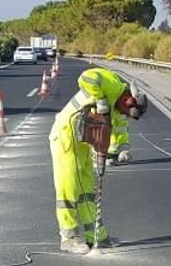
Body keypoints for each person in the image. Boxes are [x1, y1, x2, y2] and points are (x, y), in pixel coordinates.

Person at [49, 66, 149, 253]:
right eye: (127, 112)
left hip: (83, 142)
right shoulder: (112, 85)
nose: (124, 115)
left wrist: (123, 148)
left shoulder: (119, 109)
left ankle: (96, 236)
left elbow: (119, 129)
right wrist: (101, 99)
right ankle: (68, 237)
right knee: (69, 188)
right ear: (128, 101)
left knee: (87, 189)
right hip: (66, 136)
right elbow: (85, 77)